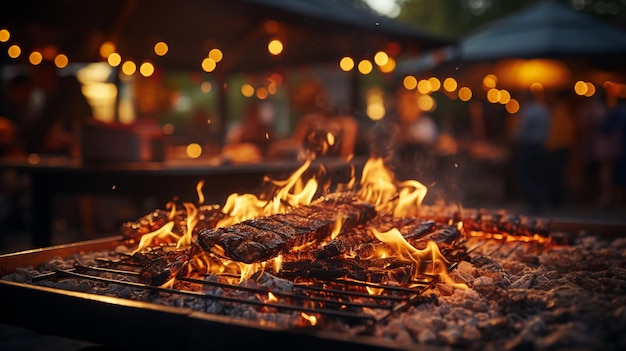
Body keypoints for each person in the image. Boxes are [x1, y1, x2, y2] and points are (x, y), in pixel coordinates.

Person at [26, 63, 93, 156]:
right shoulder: (47, 99)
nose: (34, 78)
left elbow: (77, 131)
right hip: (56, 158)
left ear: (48, 74)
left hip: (64, 158)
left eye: (38, 74)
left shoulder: (66, 97)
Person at [513, 90, 550, 214]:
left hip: (529, 147)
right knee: (538, 175)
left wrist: (514, 139)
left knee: (527, 176)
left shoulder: (528, 111)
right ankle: (539, 203)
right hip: (541, 146)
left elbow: (522, 131)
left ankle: (533, 204)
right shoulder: (543, 110)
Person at [544, 90, 577, 209]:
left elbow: (561, 131)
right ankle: (555, 201)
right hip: (555, 147)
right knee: (554, 174)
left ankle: (558, 201)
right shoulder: (553, 111)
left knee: (557, 174)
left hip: (560, 147)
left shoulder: (561, 111)